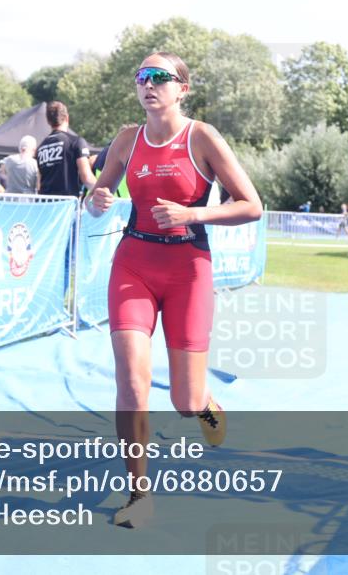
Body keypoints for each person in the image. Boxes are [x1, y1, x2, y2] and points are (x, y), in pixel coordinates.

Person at [85, 52, 262, 529]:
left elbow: (252, 205)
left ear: (182, 88)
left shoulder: (202, 137)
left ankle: (205, 403)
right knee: (132, 382)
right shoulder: (126, 140)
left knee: (184, 401)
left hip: (188, 268)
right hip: (134, 265)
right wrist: (97, 199)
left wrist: (193, 214)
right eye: (142, 77)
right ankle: (139, 495)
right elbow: (98, 199)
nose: (149, 84)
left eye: (160, 77)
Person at [37, 101, 96, 197]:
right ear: (67, 118)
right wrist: (106, 194)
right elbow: (87, 178)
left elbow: (39, 183)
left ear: (48, 121)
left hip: (45, 203)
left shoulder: (40, 148)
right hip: (66, 203)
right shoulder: (75, 142)